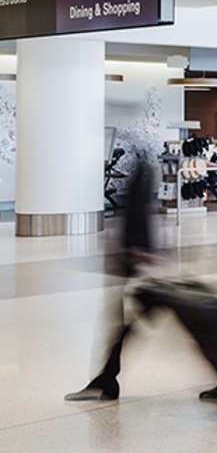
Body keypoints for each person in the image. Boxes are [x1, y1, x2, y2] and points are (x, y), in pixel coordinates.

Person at [65, 155, 159, 401]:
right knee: (124, 325)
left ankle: (106, 380)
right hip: (136, 261)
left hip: (134, 263)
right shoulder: (145, 168)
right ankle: (106, 379)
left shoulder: (142, 169)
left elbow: (138, 215)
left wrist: (135, 251)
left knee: (124, 324)